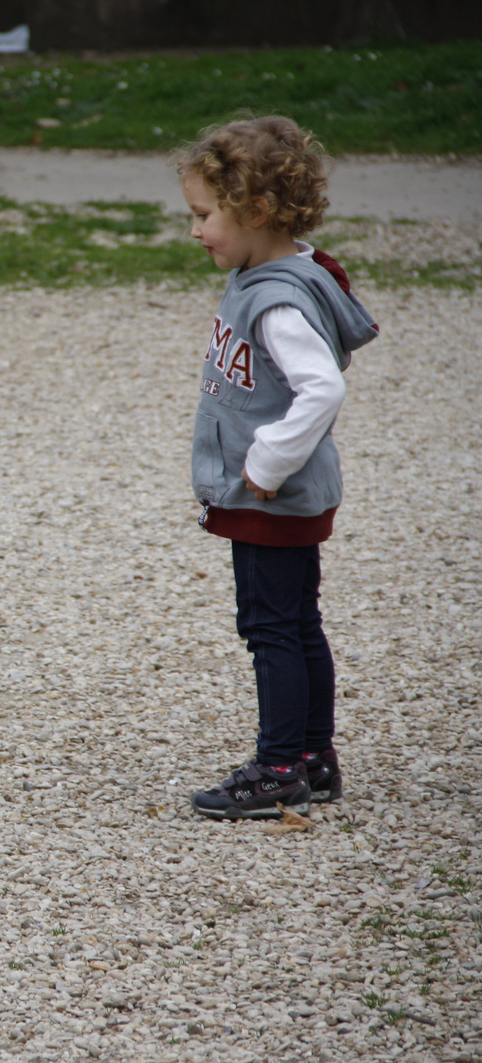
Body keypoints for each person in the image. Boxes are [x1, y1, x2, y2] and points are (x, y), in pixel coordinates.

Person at [177, 116, 379, 820]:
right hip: (280, 493)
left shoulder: (278, 299)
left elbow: (321, 387)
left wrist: (265, 460)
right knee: (296, 621)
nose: (196, 230)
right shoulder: (267, 272)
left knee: (270, 627)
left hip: (271, 494)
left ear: (256, 210)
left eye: (205, 215)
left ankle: (278, 766)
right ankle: (314, 755)